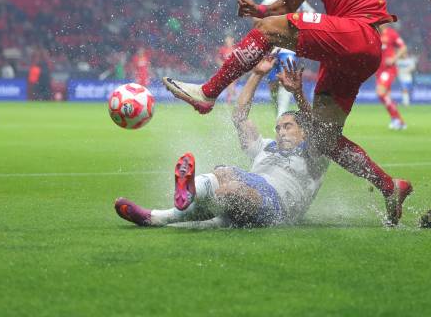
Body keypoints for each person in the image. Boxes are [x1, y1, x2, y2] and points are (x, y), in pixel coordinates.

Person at [163, 0, 431, 225]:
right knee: (322, 139)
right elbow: (289, 4)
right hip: (344, 56)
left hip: (362, 33)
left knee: (268, 30)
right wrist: (260, 9)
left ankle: (208, 93)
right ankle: (390, 187)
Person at [115, 56, 330, 228]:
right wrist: (256, 75)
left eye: (288, 126)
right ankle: (185, 198)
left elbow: (317, 130)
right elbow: (240, 118)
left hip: (279, 205)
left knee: (230, 191)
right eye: (278, 128)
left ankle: (166, 213)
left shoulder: (314, 153)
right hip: (253, 185)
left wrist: (298, 94)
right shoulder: (266, 146)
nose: (281, 132)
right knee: (224, 173)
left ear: (304, 132)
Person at [261, 0, 315, 117]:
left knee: (287, 76)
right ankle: (278, 111)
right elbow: (257, 20)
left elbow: (313, 16)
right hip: (271, 47)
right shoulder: (269, 0)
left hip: (289, 47)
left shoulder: (299, 1)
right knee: (273, 85)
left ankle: (280, 116)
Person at [376, 24, 408, 130]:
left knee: (380, 92)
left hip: (388, 69)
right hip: (379, 70)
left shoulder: (391, 33)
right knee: (386, 97)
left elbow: (403, 47)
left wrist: (394, 58)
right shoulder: (375, 33)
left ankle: (397, 119)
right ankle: (398, 121)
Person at [217, 35, 239, 103]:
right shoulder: (223, 49)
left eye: (229, 40)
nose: (228, 42)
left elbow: (239, 59)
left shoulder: (236, 49)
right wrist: (223, 64)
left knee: (230, 84)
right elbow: (218, 59)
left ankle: (232, 98)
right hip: (226, 70)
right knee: (229, 85)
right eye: (226, 40)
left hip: (234, 70)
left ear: (232, 40)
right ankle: (235, 97)